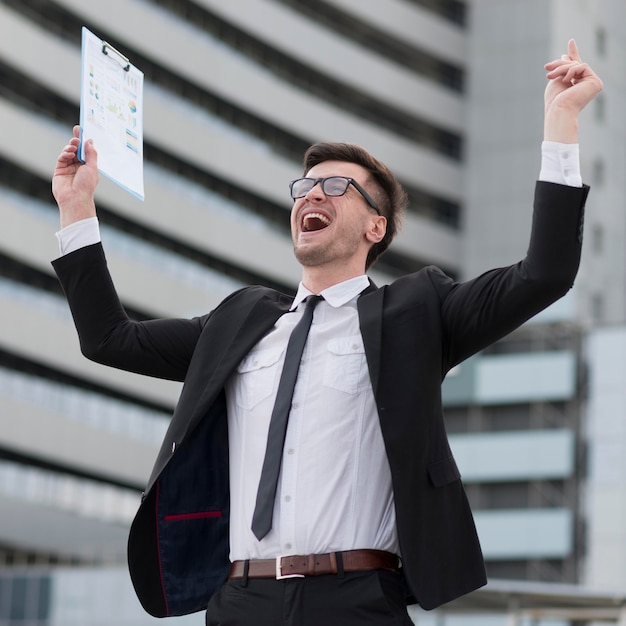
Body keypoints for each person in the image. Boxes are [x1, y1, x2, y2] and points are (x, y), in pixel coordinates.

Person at [51, 40, 602, 625]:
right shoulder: (239, 321)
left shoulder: (416, 311)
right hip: (240, 601)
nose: (312, 194)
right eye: (305, 187)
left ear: (375, 225)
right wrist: (76, 205)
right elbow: (109, 339)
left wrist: (560, 122)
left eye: (337, 188)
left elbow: (544, 274)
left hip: (357, 600)